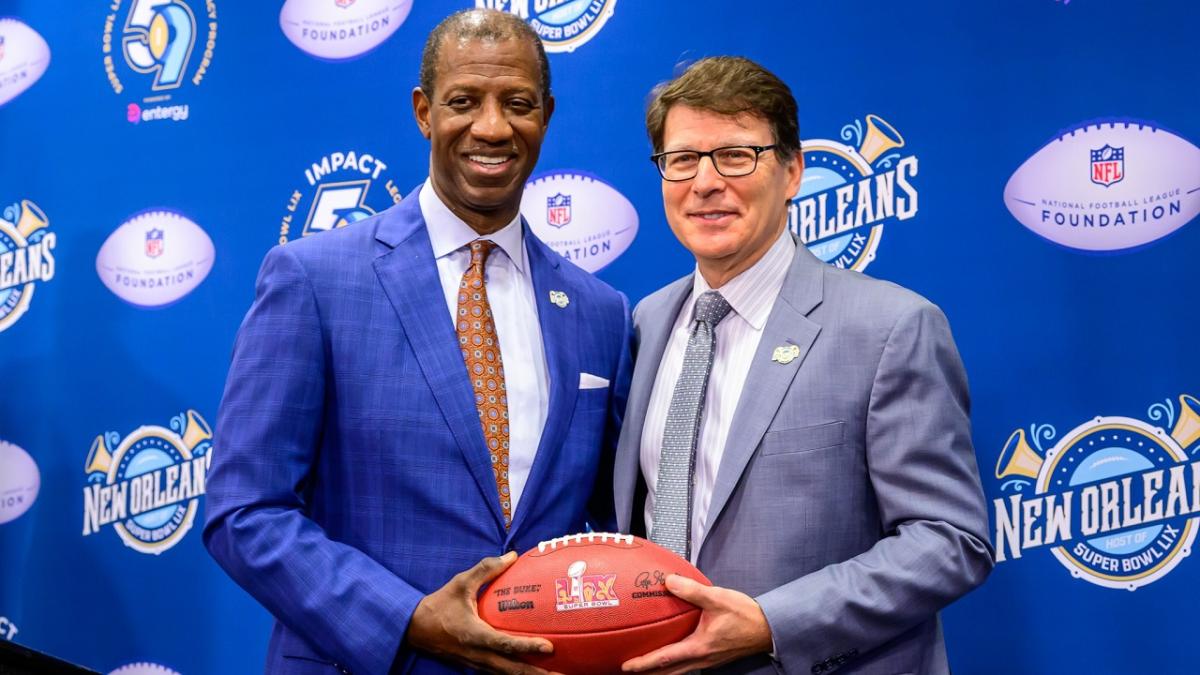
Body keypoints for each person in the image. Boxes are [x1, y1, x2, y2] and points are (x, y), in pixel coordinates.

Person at [204, 10, 631, 675]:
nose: (492, 127)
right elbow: (243, 511)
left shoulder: (599, 312)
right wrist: (406, 619)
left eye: (517, 103)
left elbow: (604, 522)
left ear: (545, 114)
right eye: (465, 101)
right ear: (424, 111)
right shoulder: (313, 278)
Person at [614, 57, 993, 675]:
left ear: (792, 171)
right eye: (682, 159)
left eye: (736, 155)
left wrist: (770, 624)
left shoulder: (891, 327)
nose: (705, 182)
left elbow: (950, 541)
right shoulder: (645, 324)